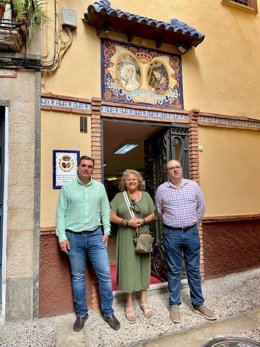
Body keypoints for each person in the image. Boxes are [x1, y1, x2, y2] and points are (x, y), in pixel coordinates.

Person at [56, 155, 120, 332]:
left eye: (89, 166)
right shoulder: (67, 188)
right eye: (83, 165)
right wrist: (62, 237)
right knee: (77, 276)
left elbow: (105, 209)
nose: (86, 168)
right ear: (78, 167)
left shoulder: (99, 188)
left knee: (105, 275)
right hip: (73, 238)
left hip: (95, 236)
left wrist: (106, 231)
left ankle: (108, 312)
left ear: (93, 169)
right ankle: (81, 314)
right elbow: (60, 213)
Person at [155, 159, 216, 323]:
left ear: (181, 169)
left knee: (194, 270)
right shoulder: (161, 190)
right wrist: (173, 223)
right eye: (171, 168)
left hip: (191, 233)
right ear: (167, 172)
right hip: (171, 234)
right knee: (174, 270)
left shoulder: (193, 186)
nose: (175, 170)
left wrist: (192, 223)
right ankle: (174, 305)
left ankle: (198, 304)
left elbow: (201, 207)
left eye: (177, 167)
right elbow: (159, 212)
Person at [110, 169, 156, 323]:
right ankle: (128, 303)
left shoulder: (147, 195)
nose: (131, 181)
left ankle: (143, 300)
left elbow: (153, 214)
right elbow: (110, 215)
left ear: (139, 181)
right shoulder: (118, 197)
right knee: (128, 266)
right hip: (125, 234)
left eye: (134, 179)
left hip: (142, 235)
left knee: (143, 265)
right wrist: (125, 222)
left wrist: (143, 221)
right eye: (128, 179)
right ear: (124, 182)